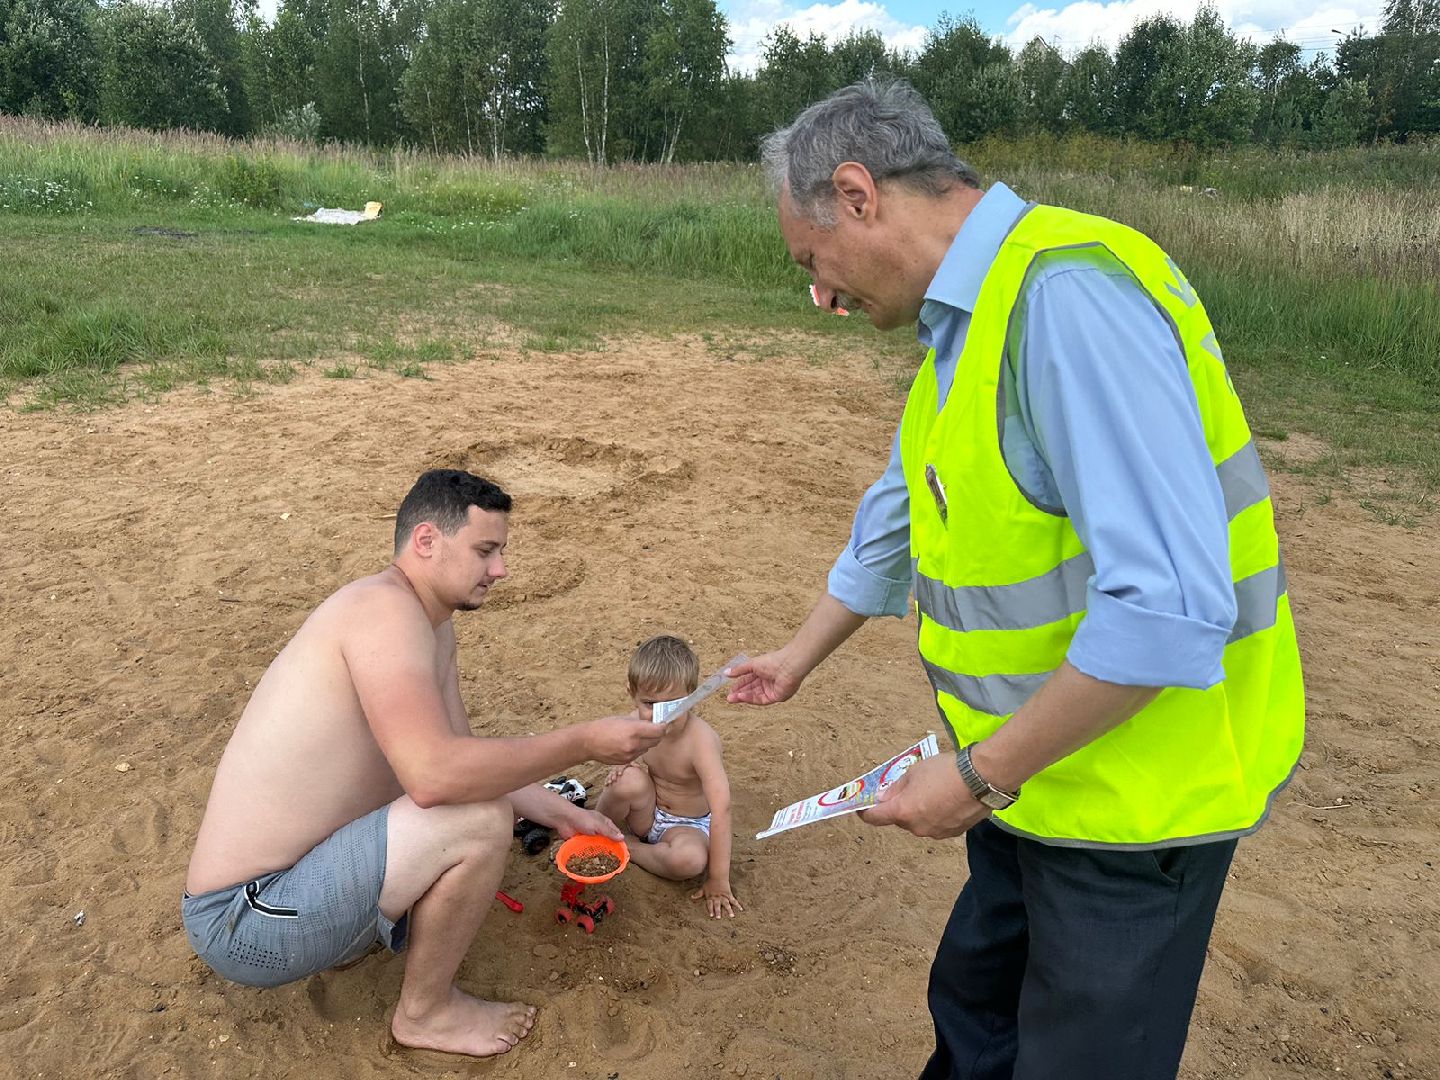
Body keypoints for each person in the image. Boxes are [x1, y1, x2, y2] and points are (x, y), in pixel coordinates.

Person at [729, 80, 1304, 1079]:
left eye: (813, 264)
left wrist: (977, 776)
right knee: (977, 1015)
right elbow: (899, 518)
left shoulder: (1066, 298)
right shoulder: (966, 326)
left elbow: (1167, 608)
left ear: (859, 193)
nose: (819, 297)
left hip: (1132, 806)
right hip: (1035, 782)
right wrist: (794, 659)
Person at [182, 469, 667, 1059]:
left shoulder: (430, 628)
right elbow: (438, 778)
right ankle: (425, 1013)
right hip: (246, 918)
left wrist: (560, 813)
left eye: (502, 552)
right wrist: (584, 742)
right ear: (428, 541)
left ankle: (357, 934)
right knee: (479, 816)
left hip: (284, 890)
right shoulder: (381, 614)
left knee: (477, 797)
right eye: (486, 550)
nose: (500, 570)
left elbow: (463, 752)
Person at [595, 636, 742, 919]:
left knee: (689, 861)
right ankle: (593, 830)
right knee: (626, 780)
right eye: (650, 704)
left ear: (693, 695)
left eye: (673, 704)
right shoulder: (638, 723)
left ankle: (624, 847)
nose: (661, 716)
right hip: (648, 814)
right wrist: (624, 764)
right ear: (632, 694)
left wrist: (719, 879)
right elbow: (621, 753)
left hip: (689, 827)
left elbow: (722, 807)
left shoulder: (700, 741)